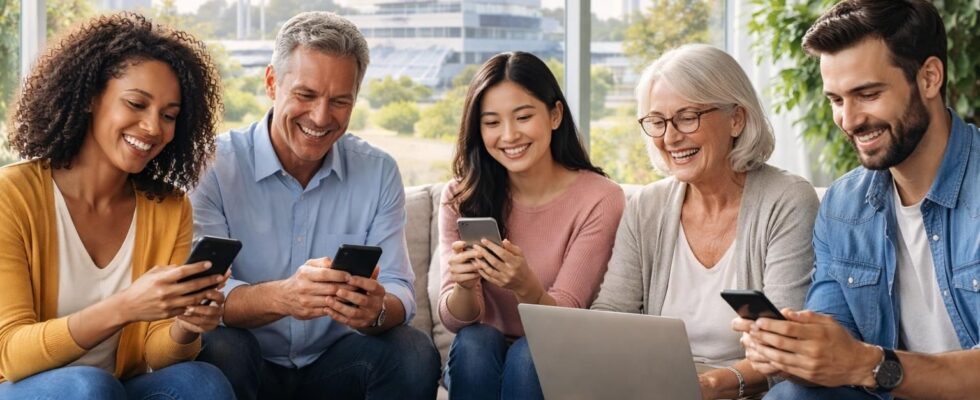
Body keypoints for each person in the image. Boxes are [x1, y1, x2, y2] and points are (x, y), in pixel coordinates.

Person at [733, 1, 980, 399]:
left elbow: (859, 364)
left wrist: (870, 364)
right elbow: (837, 350)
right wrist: (793, 351)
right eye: (836, 100)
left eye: (867, 94)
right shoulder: (844, 206)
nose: (848, 120)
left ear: (929, 78)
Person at [191, 11, 440, 400]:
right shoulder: (212, 166)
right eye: (305, 95)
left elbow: (398, 288)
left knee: (413, 351)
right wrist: (284, 296)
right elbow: (201, 295)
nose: (321, 118)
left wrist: (375, 311)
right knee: (219, 346)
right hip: (247, 360)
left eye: (340, 101)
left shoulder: (378, 171)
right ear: (272, 83)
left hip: (337, 363)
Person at [0, 13, 233, 399]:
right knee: (89, 387)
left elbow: (156, 354)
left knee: (202, 380)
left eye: (169, 116)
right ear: (91, 98)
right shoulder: (11, 195)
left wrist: (185, 325)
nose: (153, 127)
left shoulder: (169, 207)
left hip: (118, 388)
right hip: (23, 388)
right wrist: (125, 307)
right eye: (136, 104)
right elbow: (9, 354)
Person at [590, 44, 819, 399]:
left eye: (687, 117)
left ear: (736, 119)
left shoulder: (786, 200)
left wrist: (711, 385)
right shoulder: (647, 206)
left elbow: (783, 345)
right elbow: (611, 314)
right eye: (657, 122)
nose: (670, 137)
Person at [438, 51, 626, 400]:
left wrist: (526, 287)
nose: (509, 135)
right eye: (492, 123)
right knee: (476, 340)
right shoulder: (461, 196)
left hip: (559, 352)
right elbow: (457, 321)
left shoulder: (600, 198)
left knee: (528, 354)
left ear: (555, 115)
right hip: (481, 358)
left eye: (523, 117)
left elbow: (566, 320)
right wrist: (463, 285)